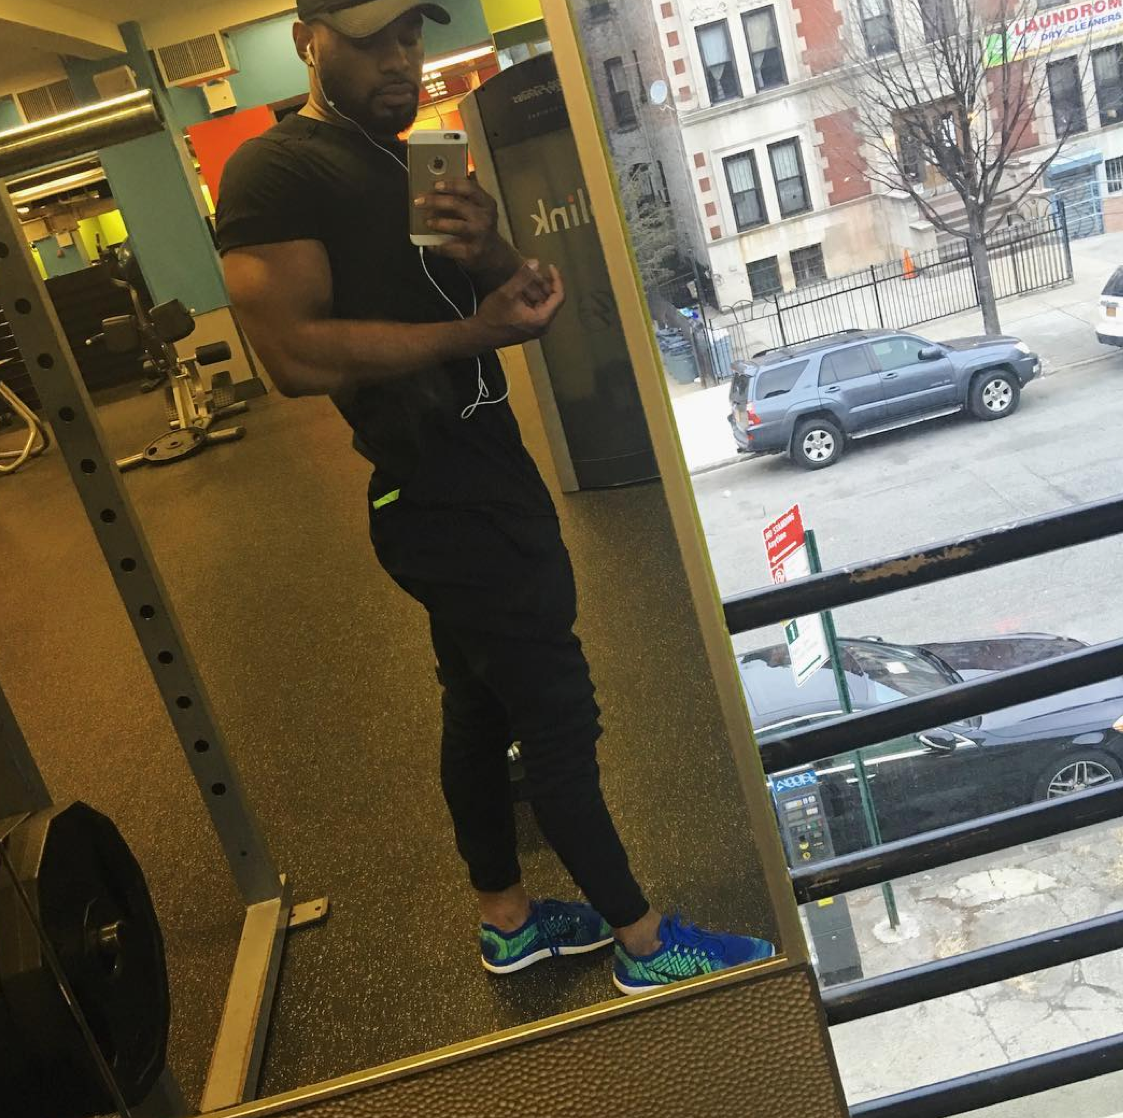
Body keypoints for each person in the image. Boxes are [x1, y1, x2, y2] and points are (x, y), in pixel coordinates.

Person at [216, 0, 774, 995]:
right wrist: (476, 334)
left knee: (476, 708)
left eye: (410, 36)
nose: (399, 59)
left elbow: (507, 298)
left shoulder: (404, 162)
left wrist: (495, 258)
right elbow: (293, 355)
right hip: (440, 495)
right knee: (557, 718)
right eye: (370, 40)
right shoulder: (275, 171)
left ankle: (508, 923)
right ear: (307, 41)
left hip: (484, 470)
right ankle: (646, 943)